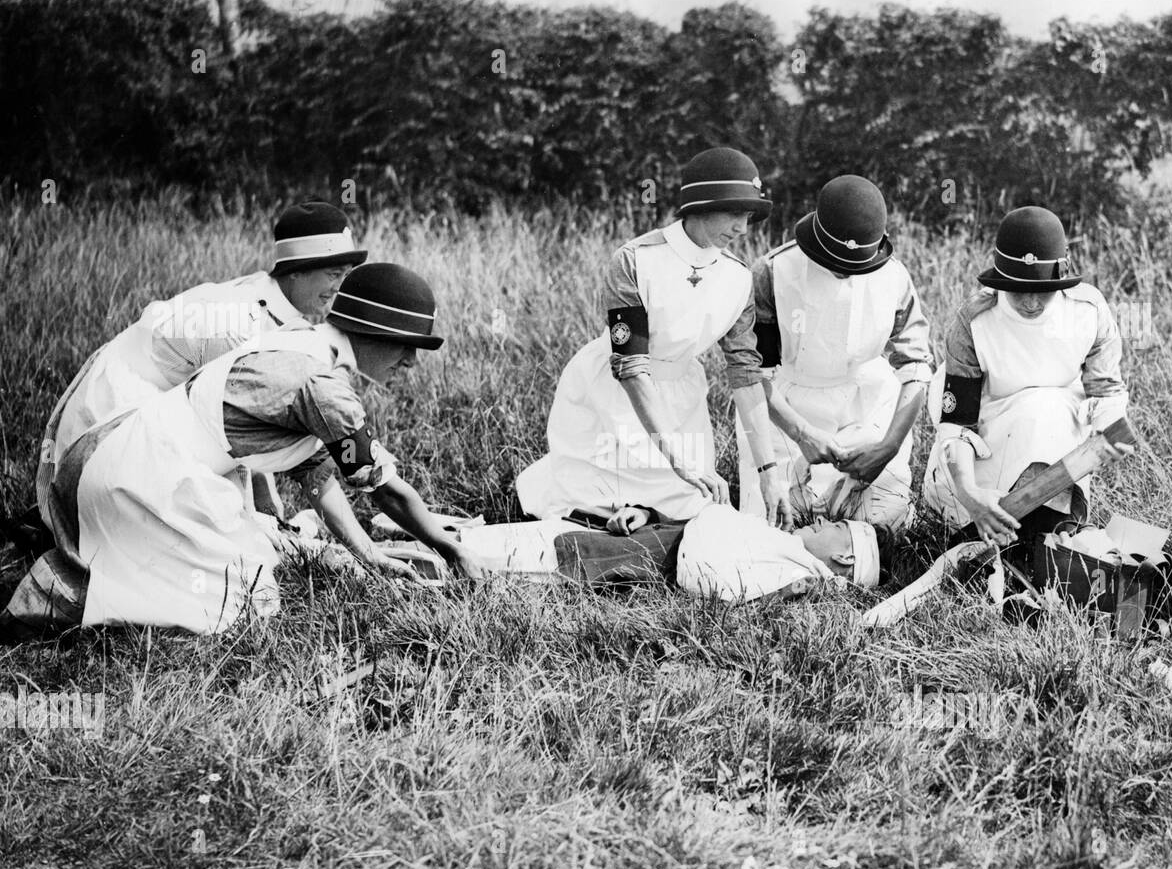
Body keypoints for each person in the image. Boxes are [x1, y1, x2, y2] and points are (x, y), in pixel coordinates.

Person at [2, 264, 482, 638]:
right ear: (371, 332)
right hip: (146, 476)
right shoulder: (323, 386)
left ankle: (68, 573)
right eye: (406, 345)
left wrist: (368, 552)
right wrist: (450, 546)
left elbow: (316, 476)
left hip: (121, 453)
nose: (412, 361)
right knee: (236, 608)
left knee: (245, 578)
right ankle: (53, 600)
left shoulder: (299, 343)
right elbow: (385, 491)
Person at [35, 201, 367, 527]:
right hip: (114, 414)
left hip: (156, 404)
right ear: (298, 270)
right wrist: (260, 508)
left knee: (247, 523)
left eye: (345, 274)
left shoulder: (269, 301)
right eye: (333, 273)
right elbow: (227, 422)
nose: (339, 286)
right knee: (224, 532)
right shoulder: (241, 324)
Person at [515, 147, 791, 529]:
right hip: (613, 391)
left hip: (680, 396)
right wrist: (678, 457)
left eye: (748, 216)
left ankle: (645, 512)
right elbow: (631, 367)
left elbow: (745, 374)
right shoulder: (634, 260)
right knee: (587, 505)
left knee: (691, 507)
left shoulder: (738, 278)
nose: (743, 228)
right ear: (699, 205)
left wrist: (769, 472)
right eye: (733, 213)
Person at [922, 206, 1130, 547]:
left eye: (1042, 290)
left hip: (1061, 438)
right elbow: (957, 422)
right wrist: (969, 492)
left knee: (1050, 403)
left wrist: (1110, 429)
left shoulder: (1088, 311)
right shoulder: (974, 320)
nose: (1031, 303)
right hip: (987, 443)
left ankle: (1049, 529)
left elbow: (1105, 391)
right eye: (1018, 290)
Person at [741, 175, 933, 534]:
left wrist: (889, 446)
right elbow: (751, 375)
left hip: (866, 402)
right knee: (770, 526)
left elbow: (916, 367)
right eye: (837, 264)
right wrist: (802, 434)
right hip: (785, 406)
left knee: (885, 526)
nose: (846, 273)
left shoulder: (894, 277)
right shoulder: (772, 272)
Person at [385, 501, 883, 603]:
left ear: (843, 559)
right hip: (605, 539)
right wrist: (646, 513)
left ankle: (362, 556)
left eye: (836, 526)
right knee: (479, 549)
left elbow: (709, 568)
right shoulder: (778, 544)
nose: (821, 520)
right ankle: (383, 544)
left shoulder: (793, 574)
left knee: (471, 557)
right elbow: (700, 526)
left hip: (592, 558)